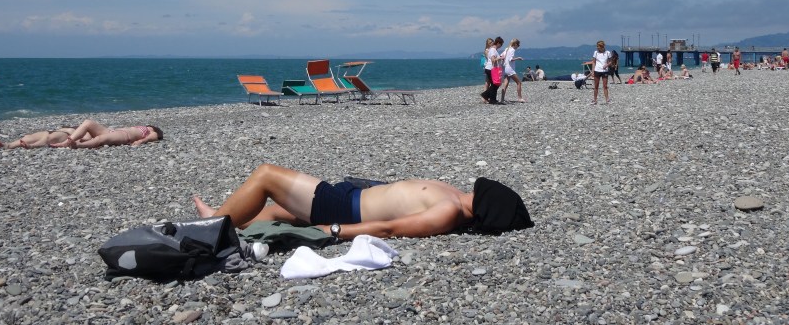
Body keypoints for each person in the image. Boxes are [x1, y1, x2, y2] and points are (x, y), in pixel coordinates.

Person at [192, 164, 533, 239]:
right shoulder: (456, 196)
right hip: (351, 195)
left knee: (267, 176)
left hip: (342, 209)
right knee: (279, 212)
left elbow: (389, 228)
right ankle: (230, 219)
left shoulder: (448, 211)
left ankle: (212, 227)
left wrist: (331, 230)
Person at [0, 120, 163, 149]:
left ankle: (76, 145)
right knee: (88, 122)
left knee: (101, 139)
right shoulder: (142, 127)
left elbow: (153, 137)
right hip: (111, 131)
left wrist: (140, 142)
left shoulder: (151, 131)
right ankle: (9, 145)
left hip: (123, 136)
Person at [500, 39, 525, 103]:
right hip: (510, 69)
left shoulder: (507, 49)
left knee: (505, 84)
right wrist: (518, 58)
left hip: (505, 69)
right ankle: (520, 98)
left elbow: (501, 56)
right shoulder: (512, 50)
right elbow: (511, 59)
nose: (518, 46)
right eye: (518, 45)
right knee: (519, 82)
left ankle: (502, 99)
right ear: (515, 44)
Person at [480, 36, 503, 104]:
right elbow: (493, 60)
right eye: (501, 44)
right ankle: (489, 98)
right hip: (490, 69)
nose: (501, 46)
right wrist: (500, 58)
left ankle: (490, 97)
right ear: (498, 43)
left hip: (491, 69)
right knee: (495, 84)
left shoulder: (493, 49)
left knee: (495, 84)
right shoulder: (493, 50)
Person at [590, 40, 611, 105]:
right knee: (596, 86)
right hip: (597, 70)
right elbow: (593, 62)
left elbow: (610, 61)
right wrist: (592, 71)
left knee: (605, 86)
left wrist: (607, 65)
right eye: (597, 46)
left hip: (605, 71)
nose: (597, 47)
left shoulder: (607, 53)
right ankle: (595, 100)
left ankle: (607, 100)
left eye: (598, 46)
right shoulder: (596, 53)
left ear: (602, 46)